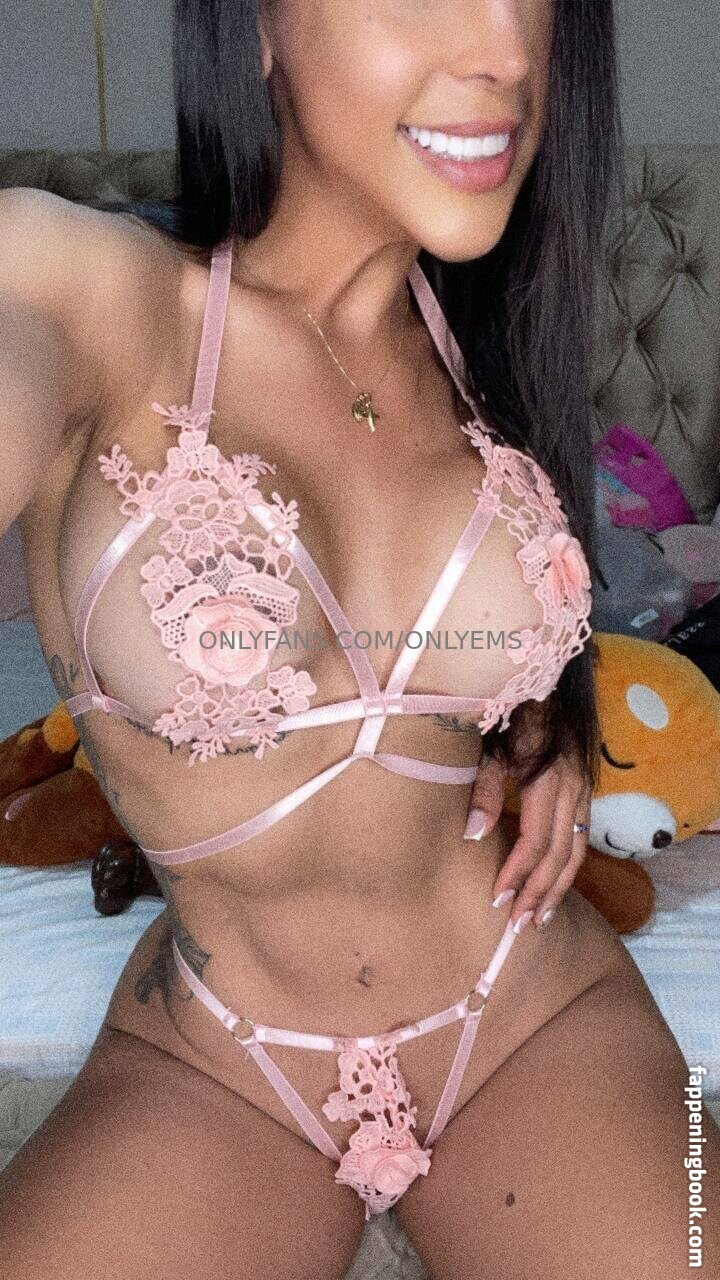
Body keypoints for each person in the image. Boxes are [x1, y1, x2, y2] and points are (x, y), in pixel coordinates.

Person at [0, 1, 718, 1276]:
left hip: (530, 1009)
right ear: (256, 25)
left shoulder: (491, 342)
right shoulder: (85, 290)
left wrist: (548, 723)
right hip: (222, 1055)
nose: (507, 49)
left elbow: (512, 635)